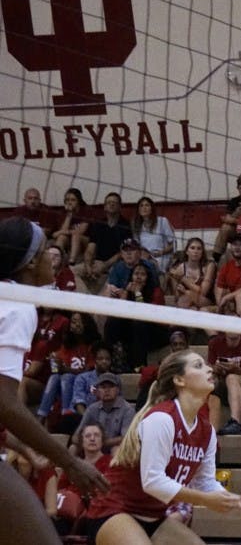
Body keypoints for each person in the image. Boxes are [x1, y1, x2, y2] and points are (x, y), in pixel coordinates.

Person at [0, 217, 109, 544]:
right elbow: (4, 403)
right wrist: (71, 462)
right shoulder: (17, 307)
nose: (54, 253)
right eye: (48, 248)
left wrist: (23, 449)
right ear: (32, 261)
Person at [86, 350, 241, 544]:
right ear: (179, 380)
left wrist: (235, 500)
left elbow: (205, 483)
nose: (209, 369)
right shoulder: (162, 418)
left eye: (206, 364)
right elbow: (153, 482)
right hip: (114, 510)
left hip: (154, 516)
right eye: (198, 365)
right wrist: (205, 500)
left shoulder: (207, 432)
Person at [34, 311, 100, 426]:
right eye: (73, 322)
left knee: (67, 376)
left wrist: (66, 369)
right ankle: (41, 416)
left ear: (87, 324)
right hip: (66, 386)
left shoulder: (93, 345)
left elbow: (89, 371)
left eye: (80, 322)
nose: (76, 325)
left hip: (86, 385)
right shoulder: (68, 345)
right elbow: (58, 369)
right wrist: (55, 361)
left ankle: (66, 413)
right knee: (55, 377)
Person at [77, 192, 132, 294]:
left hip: (114, 265)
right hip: (96, 262)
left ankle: (101, 301)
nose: (111, 204)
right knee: (72, 271)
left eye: (114, 203)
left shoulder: (126, 226)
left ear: (120, 207)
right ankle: (87, 298)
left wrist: (105, 265)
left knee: (117, 271)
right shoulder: (98, 224)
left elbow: (123, 252)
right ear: (105, 207)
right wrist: (88, 265)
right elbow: (90, 249)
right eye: (109, 202)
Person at [207, 331, 241, 435]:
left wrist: (235, 369)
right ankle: (203, 426)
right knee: (210, 379)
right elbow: (210, 366)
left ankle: (235, 422)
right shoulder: (215, 343)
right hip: (222, 384)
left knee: (231, 378)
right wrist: (216, 368)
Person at [71, 373, 135, 456]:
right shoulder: (92, 408)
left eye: (111, 387)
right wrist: (85, 441)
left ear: (118, 390)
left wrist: (101, 442)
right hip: (93, 444)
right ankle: (62, 468)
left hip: (115, 447)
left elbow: (126, 437)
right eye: (103, 387)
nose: (107, 390)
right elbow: (76, 435)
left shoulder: (127, 409)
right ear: (97, 391)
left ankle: (113, 469)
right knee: (73, 447)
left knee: (115, 449)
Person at [211, 172, 241, 264]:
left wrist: (238, 219)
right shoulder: (234, 201)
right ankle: (216, 257)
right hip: (240, 229)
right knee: (225, 228)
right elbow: (227, 218)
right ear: (238, 189)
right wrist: (239, 218)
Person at [167, 237, 217, 310]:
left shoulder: (209, 265)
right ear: (187, 251)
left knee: (188, 295)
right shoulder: (179, 268)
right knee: (187, 304)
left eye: (199, 249)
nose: (195, 251)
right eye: (192, 248)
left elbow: (203, 292)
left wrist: (183, 279)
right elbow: (177, 296)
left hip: (205, 301)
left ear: (202, 252)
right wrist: (180, 291)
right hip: (185, 301)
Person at [131, 197, 175, 275]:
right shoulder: (137, 225)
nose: (144, 208)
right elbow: (136, 246)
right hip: (143, 257)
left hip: (160, 257)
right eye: (141, 206)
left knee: (146, 268)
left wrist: (160, 252)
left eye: (147, 205)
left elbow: (173, 244)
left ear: (152, 208)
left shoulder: (162, 221)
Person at [51, 188, 90, 265]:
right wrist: (69, 214)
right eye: (67, 200)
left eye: (73, 200)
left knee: (75, 235)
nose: (70, 202)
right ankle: (55, 261)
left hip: (85, 239)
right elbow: (62, 232)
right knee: (62, 237)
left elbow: (81, 231)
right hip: (70, 238)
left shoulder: (86, 211)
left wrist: (61, 232)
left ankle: (72, 261)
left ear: (79, 201)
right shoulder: (63, 212)